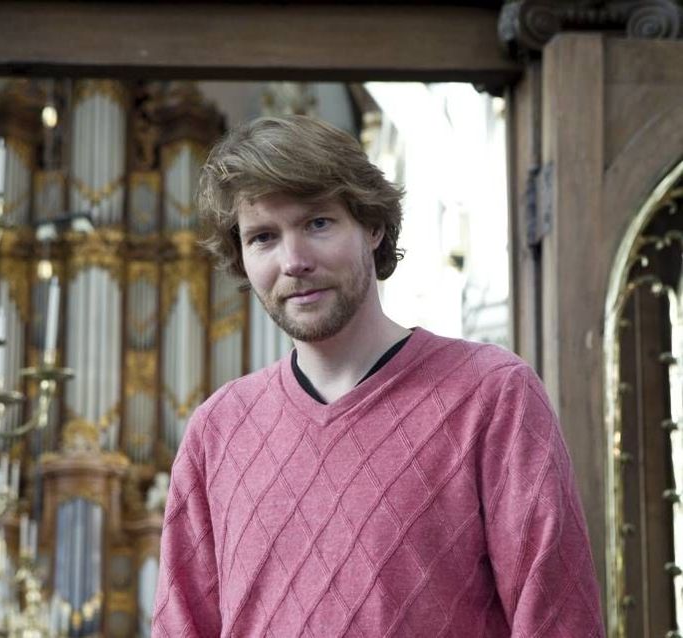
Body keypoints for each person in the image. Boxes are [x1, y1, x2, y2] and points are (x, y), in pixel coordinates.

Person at [151, 115, 604, 637]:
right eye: (263, 237)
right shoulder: (216, 431)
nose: (293, 260)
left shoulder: (492, 394)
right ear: (243, 257)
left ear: (372, 227)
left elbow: (558, 620)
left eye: (317, 223)